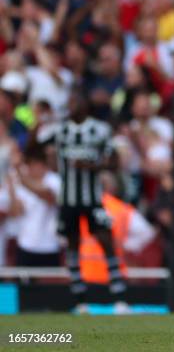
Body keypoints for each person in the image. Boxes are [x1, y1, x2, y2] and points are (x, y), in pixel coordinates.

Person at [38, 90, 128, 314]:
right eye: (68, 101)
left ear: (84, 104)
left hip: (92, 199)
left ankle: (120, 299)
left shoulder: (99, 130)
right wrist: (37, 124)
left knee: (106, 241)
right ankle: (80, 301)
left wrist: (93, 167)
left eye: (74, 100)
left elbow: (114, 162)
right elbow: (34, 147)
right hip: (68, 200)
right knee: (72, 246)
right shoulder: (60, 130)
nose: (70, 105)